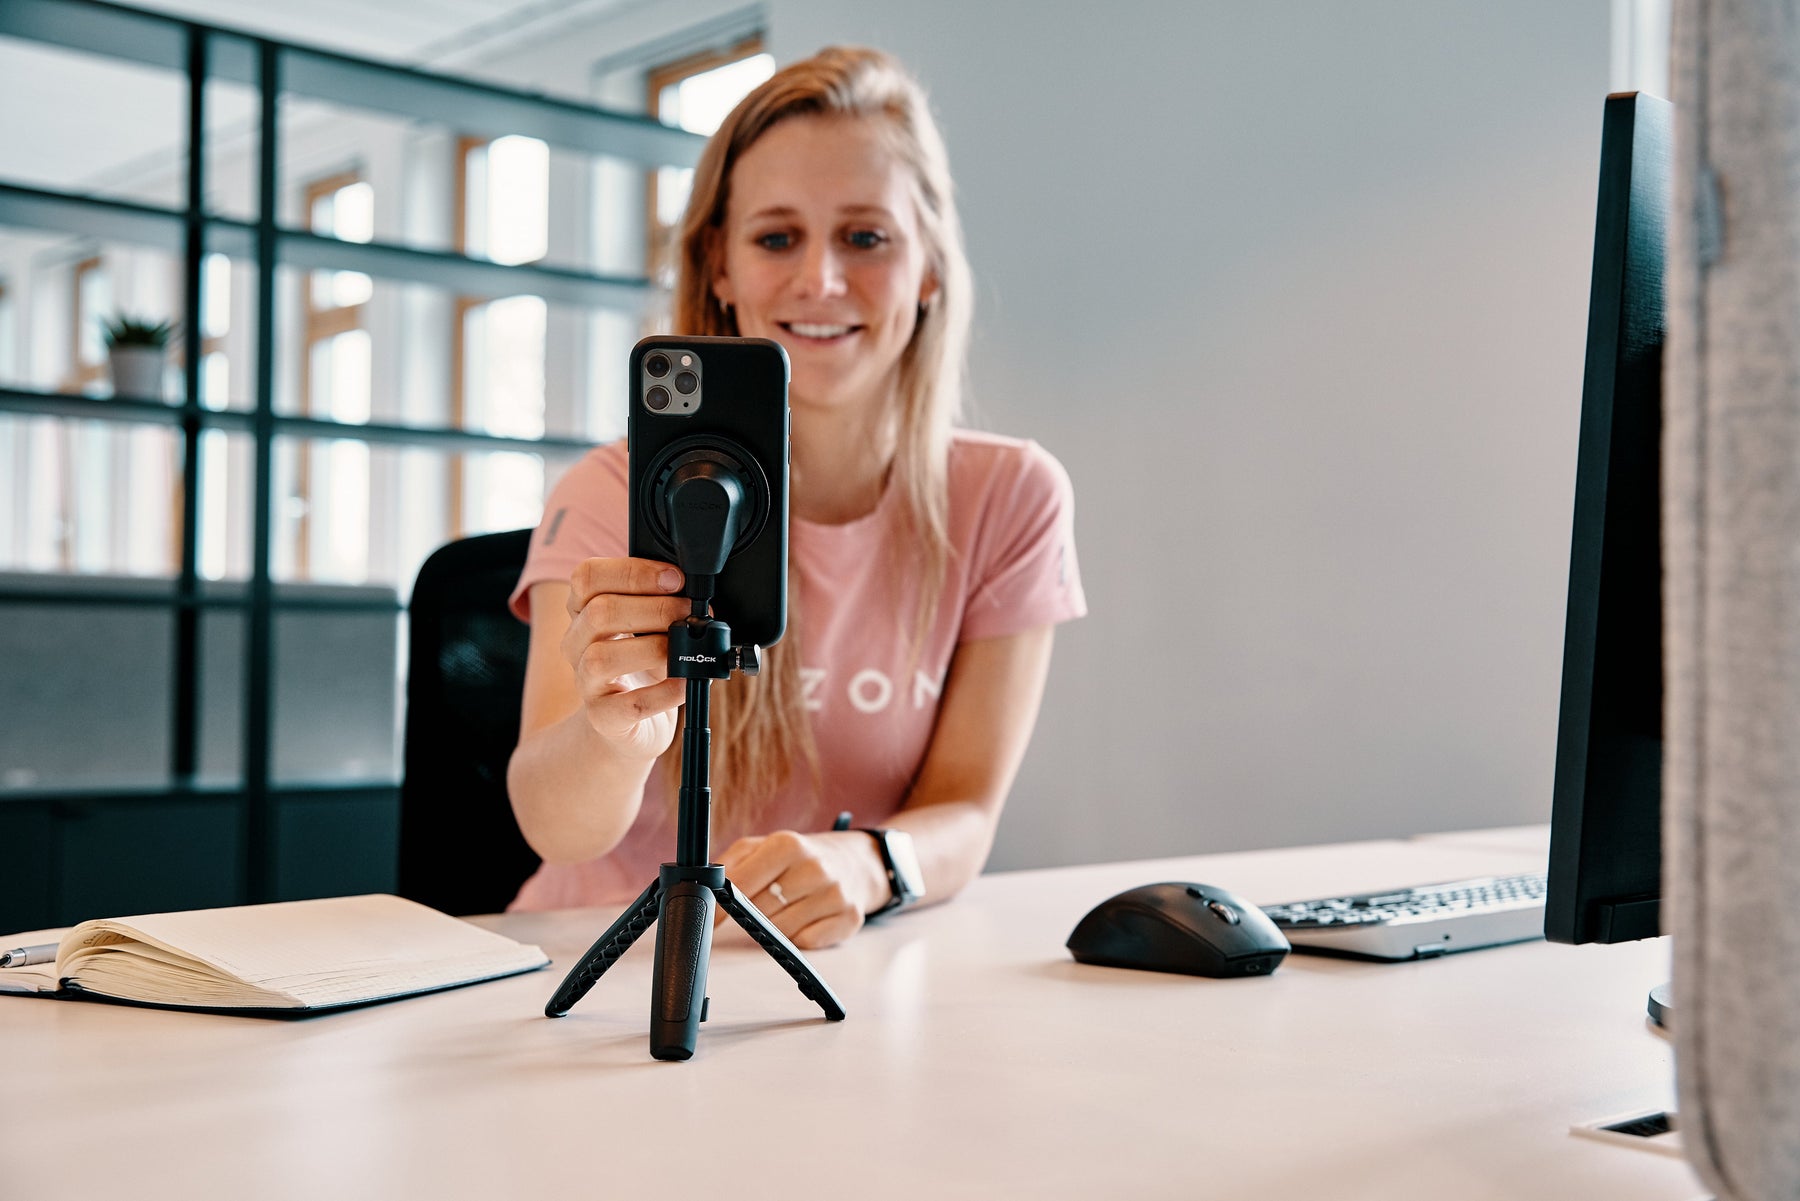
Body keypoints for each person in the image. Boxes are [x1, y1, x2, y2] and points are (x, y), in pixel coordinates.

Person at [504, 46, 1085, 949]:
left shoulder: (1010, 497)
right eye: (777, 238)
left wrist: (871, 864)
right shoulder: (609, 492)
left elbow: (965, 809)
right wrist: (615, 731)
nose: (820, 280)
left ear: (928, 267)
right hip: (602, 964)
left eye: (866, 237)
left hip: (834, 972)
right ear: (721, 267)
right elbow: (556, 825)